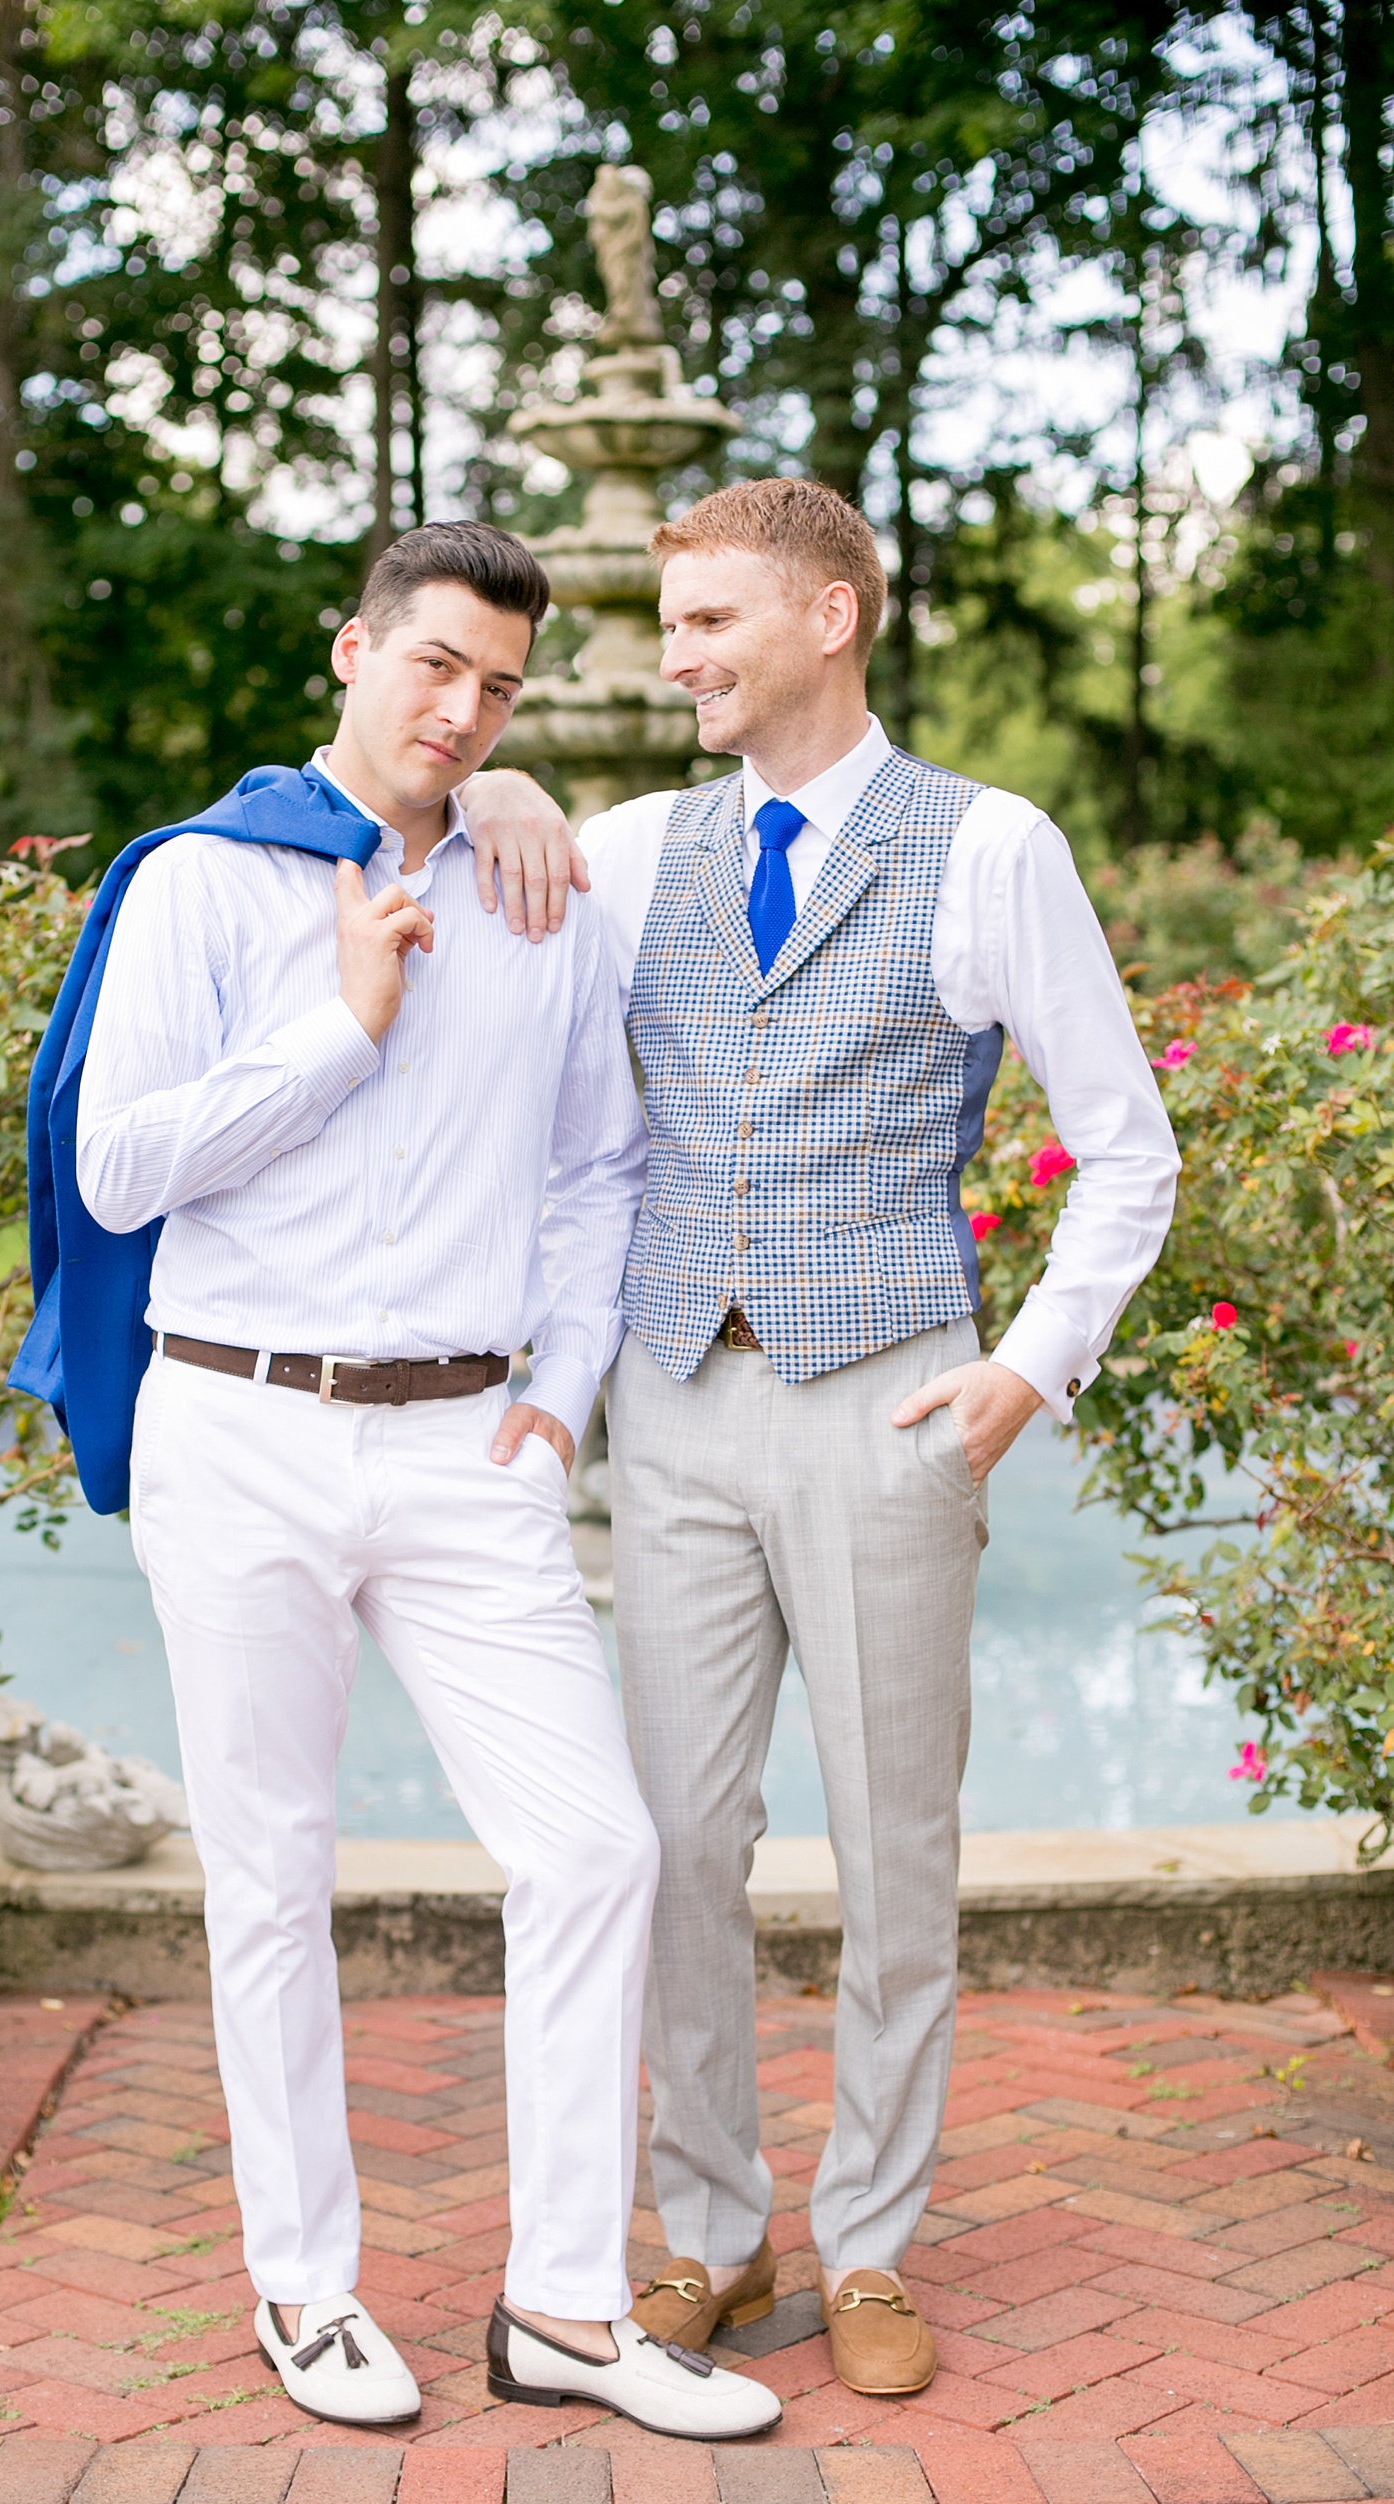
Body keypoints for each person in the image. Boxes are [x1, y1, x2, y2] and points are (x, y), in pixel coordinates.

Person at [458, 479, 1180, 2398]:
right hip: (675, 1407)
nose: (673, 653)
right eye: (669, 621)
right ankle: (712, 2228)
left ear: (832, 616)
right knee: (676, 1840)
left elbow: (1128, 1146)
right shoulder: (624, 842)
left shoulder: (989, 848)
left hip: (894, 1400)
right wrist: (503, 794)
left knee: (896, 1845)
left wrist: (1031, 1369)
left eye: (707, 622)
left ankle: (869, 2240)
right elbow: (433, 859)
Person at [69, 522, 782, 2440]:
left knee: (595, 1845)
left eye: (501, 690)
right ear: (351, 650)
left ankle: (562, 2302)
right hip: (238, 1422)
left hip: (470, 1449)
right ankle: (304, 2291)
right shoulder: (203, 890)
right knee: (270, 1876)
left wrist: (559, 1389)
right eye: (436, 668)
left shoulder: (541, 885)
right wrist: (339, 1027)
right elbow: (122, 1167)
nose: (461, 713)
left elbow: (593, 1170)